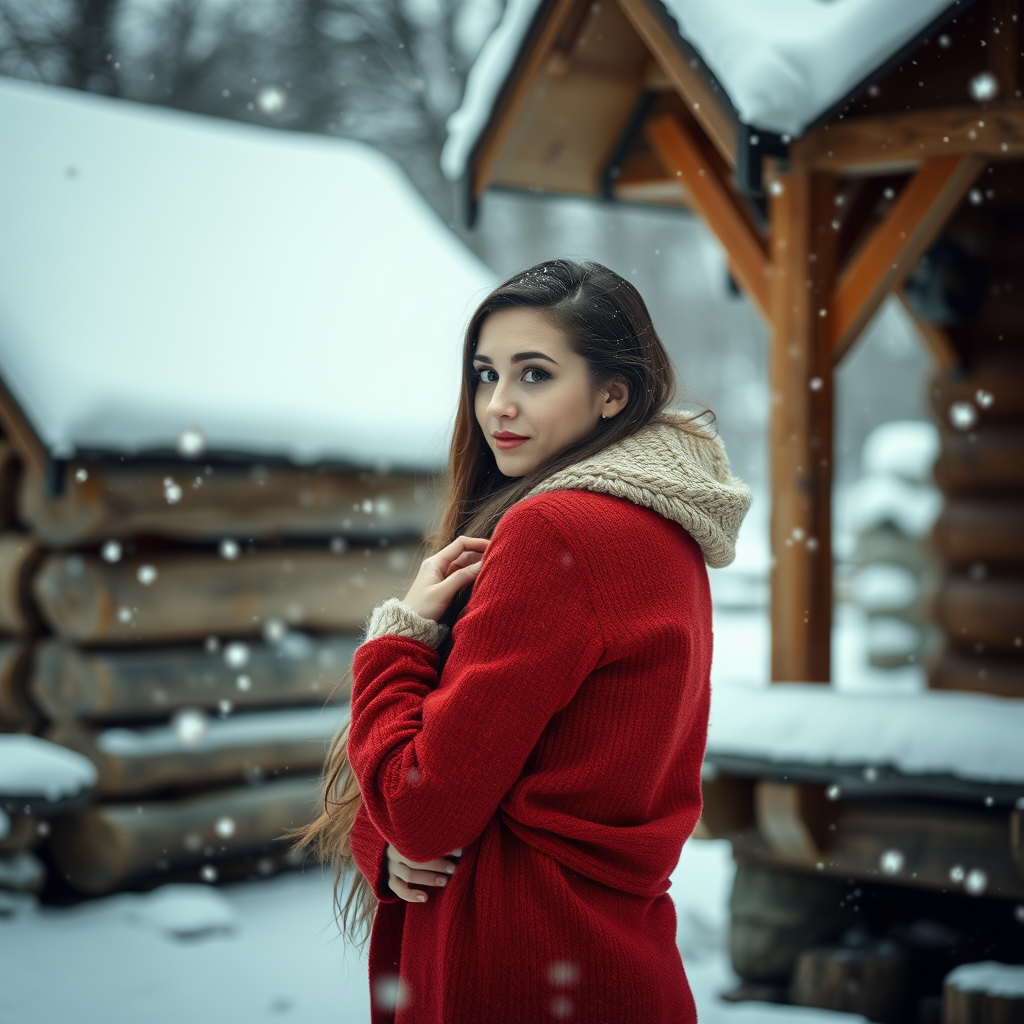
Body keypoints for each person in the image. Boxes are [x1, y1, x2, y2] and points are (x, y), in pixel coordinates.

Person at [297, 258, 751, 1023]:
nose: (498, 405)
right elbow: (519, 771)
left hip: (519, 965)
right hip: (610, 959)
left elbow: (426, 809)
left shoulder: (557, 530)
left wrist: (396, 638)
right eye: (484, 374)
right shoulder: (665, 528)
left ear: (614, 393)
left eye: (534, 375)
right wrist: (388, 841)